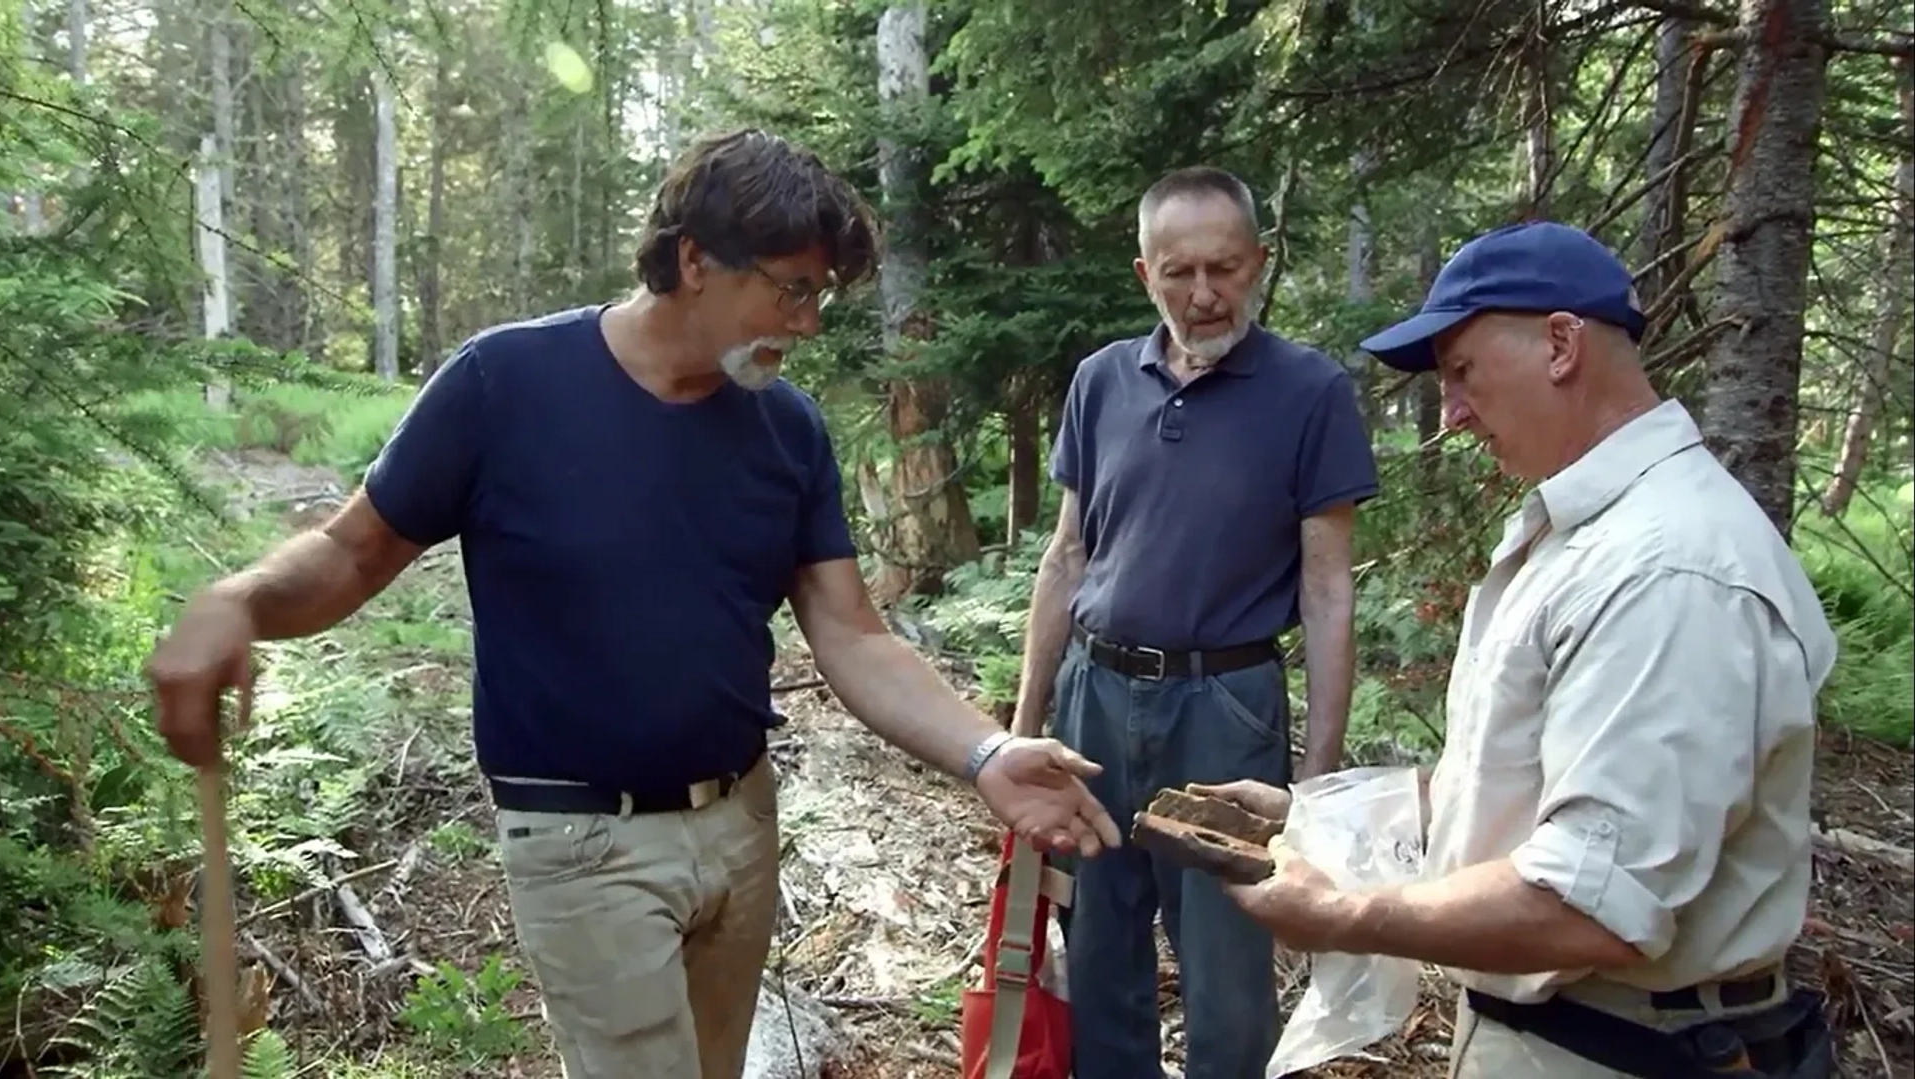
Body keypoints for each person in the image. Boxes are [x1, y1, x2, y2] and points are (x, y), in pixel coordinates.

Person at [145, 128, 1121, 1079]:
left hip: (741, 823)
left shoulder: (785, 425)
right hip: (583, 841)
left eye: (818, 294)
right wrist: (238, 601)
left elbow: (852, 631)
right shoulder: (506, 386)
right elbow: (350, 553)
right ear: (694, 259)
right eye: (792, 288)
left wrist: (984, 750)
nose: (809, 322)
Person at [1208, 220, 1840, 1078]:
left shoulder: (1666, 569)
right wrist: (1317, 818)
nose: (1454, 412)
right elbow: (1527, 783)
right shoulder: (1586, 535)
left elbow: (1592, 905)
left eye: (1462, 371)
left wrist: (1349, 914)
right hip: (1577, 1036)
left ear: (1560, 342)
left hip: (1629, 1049)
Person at [1011, 166, 1379, 1079]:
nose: (1204, 294)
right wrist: (1019, 732)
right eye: (1180, 272)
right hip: (1092, 697)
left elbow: (1328, 589)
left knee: (1226, 967)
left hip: (1227, 708)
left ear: (1258, 262)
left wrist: (1318, 780)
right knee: (1097, 947)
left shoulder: (1310, 391)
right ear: (1146, 274)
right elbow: (1066, 557)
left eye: (1224, 268)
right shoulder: (1101, 382)